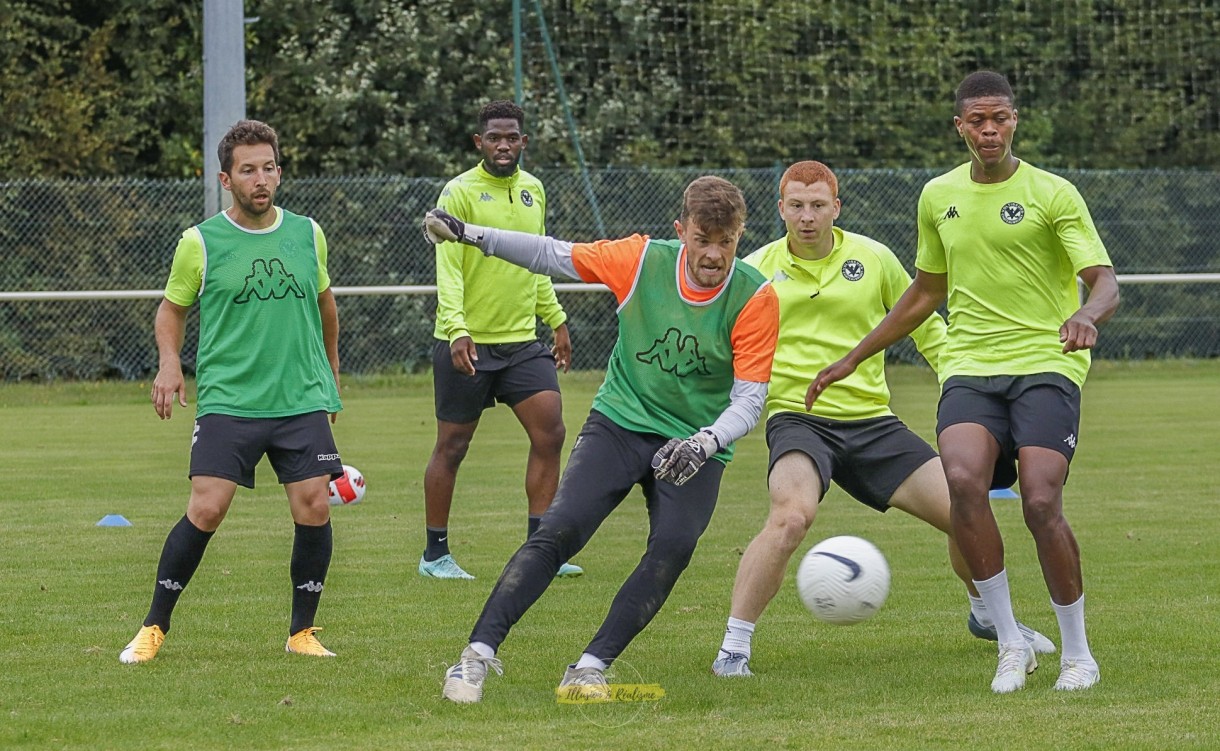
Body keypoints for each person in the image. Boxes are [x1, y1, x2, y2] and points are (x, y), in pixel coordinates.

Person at [809, 72, 1119, 693]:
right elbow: (926, 292)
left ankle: (1079, 654)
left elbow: (1104, 279)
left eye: (999, 118)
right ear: (960, 127)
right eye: (977, 121)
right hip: (971, 366)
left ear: (1014, 121)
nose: (989, 130)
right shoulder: (938, 195)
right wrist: (852, 357)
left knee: (1039, 500)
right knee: (962, 484)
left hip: (1045, 362)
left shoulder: (1052, 193)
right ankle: (1010, 643)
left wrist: (1086, 314)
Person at [422, 176, 780, 703]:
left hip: (696, 443)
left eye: (725, 242)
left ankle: (589, 668)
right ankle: (474, 657)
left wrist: (703, 444)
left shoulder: (755, 296)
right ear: (681, 231)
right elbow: (551, 255)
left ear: (739, 237)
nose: (713, 254)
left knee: (674, 548)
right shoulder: (639, 261)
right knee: (558, 530)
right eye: (703, 238)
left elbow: (749, 401)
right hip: (621, 421)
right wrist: (468, 233)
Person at [711, 160, 1056, 679]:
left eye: (818, 206)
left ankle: (987, 615)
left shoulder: (873, 258)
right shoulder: (756, 270)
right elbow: (725, 349)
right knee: (790, 516)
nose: (808, 217)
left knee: (967, 507)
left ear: (836, 208)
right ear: (780, 208)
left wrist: (966, 386)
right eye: (797, 206)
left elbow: (926, 327)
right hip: (799, 421)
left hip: (874, 422)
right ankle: (734, 648)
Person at [119, 119, 344, 664]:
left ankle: (301, 633)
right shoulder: (200, 241)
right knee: (207, 507)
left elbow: (326, 305)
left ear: (279, 172)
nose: (260, 178)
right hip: (229, 399)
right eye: (248, 170)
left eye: (268, 167)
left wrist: (332, 373)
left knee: (314, 506)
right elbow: (171, 311)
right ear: (227, 178)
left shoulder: (307, 232)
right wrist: (169, 365)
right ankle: (153, 626)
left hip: (300, 397)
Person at [422, 100, 580, 580]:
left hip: (521, 342)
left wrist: (556, 318)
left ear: (523, 141)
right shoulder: (459, 192)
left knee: (550, 431)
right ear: (479, 143)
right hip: (468, 343)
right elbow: (447, 269)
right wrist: (457, 329)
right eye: (494, 137)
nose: (504, 145)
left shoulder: (534, 190)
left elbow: (536, 261)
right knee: (452, 446)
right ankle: (435, 556)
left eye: (512, 137)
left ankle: (540, 551)